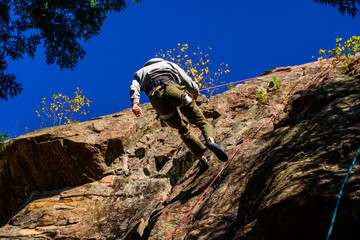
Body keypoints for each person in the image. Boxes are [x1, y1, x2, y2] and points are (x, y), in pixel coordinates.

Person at [130, 58, 228, 170]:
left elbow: (134, 87)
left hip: (156, 99)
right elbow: (186, 79)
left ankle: (201, 158)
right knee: (201, 120)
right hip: (171, 88)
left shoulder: (140, 73)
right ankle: (210, 141)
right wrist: (195, 93)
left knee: (182, 129)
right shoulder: (168, 64)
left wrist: (135, 103)